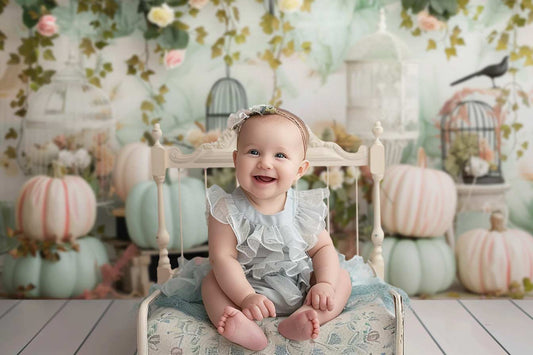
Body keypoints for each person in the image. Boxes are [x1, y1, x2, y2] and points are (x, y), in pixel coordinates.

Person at [200, 105, 352, 351]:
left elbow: (323, 247)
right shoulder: (227, 210)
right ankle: (240, 326)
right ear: (236, 160)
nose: (265, 163)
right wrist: (246, 297)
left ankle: (306, 317)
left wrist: (323, 283)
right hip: (244, 291)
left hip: (301, 287)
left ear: (300, 170)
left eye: (280, 156)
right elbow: (222, 258)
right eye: (254, 152)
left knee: (341, 278)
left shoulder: (303, 208)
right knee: (210, 283)